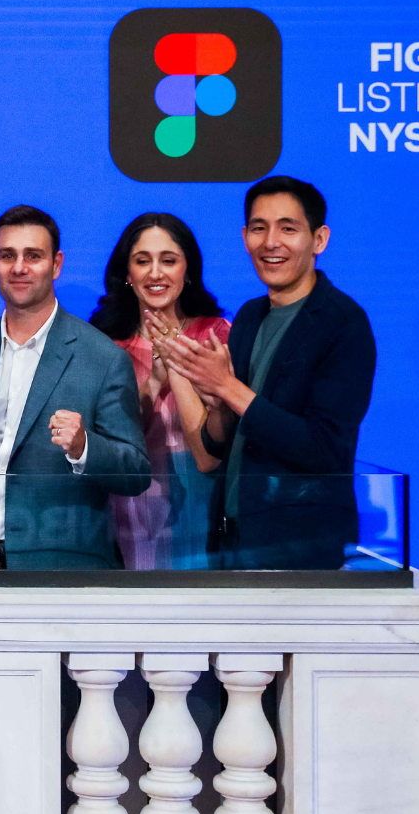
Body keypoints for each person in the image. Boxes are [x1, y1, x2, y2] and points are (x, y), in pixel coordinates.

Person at [159, 176, 375, 571]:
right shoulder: (249, 315)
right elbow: (222, 444)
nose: (270, 242)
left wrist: (228, 387)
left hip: (301, 549)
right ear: (245, 237)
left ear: (319, 239)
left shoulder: (343, 323)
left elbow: (325, 449)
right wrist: (218, 404)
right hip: (232, 541)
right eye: (259, 229)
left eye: (287, 229)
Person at [0, 205, 150, 570]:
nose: (19, 267)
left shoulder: (103, 357)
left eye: (33, 256)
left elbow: (136, 472)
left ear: (56, 264)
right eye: (7, 256)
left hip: (62, 565)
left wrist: (84, 447)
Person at [88, 213, 230, 570]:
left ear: (188, 270)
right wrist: (152, 382)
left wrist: (177, 361)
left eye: (168, 261)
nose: (155, 273)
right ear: (127, 273)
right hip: (128, 516)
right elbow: (104, 446)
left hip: (205, 511)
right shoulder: (104, 345)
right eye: (142, 261)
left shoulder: (216, 335)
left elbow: (212, 455)